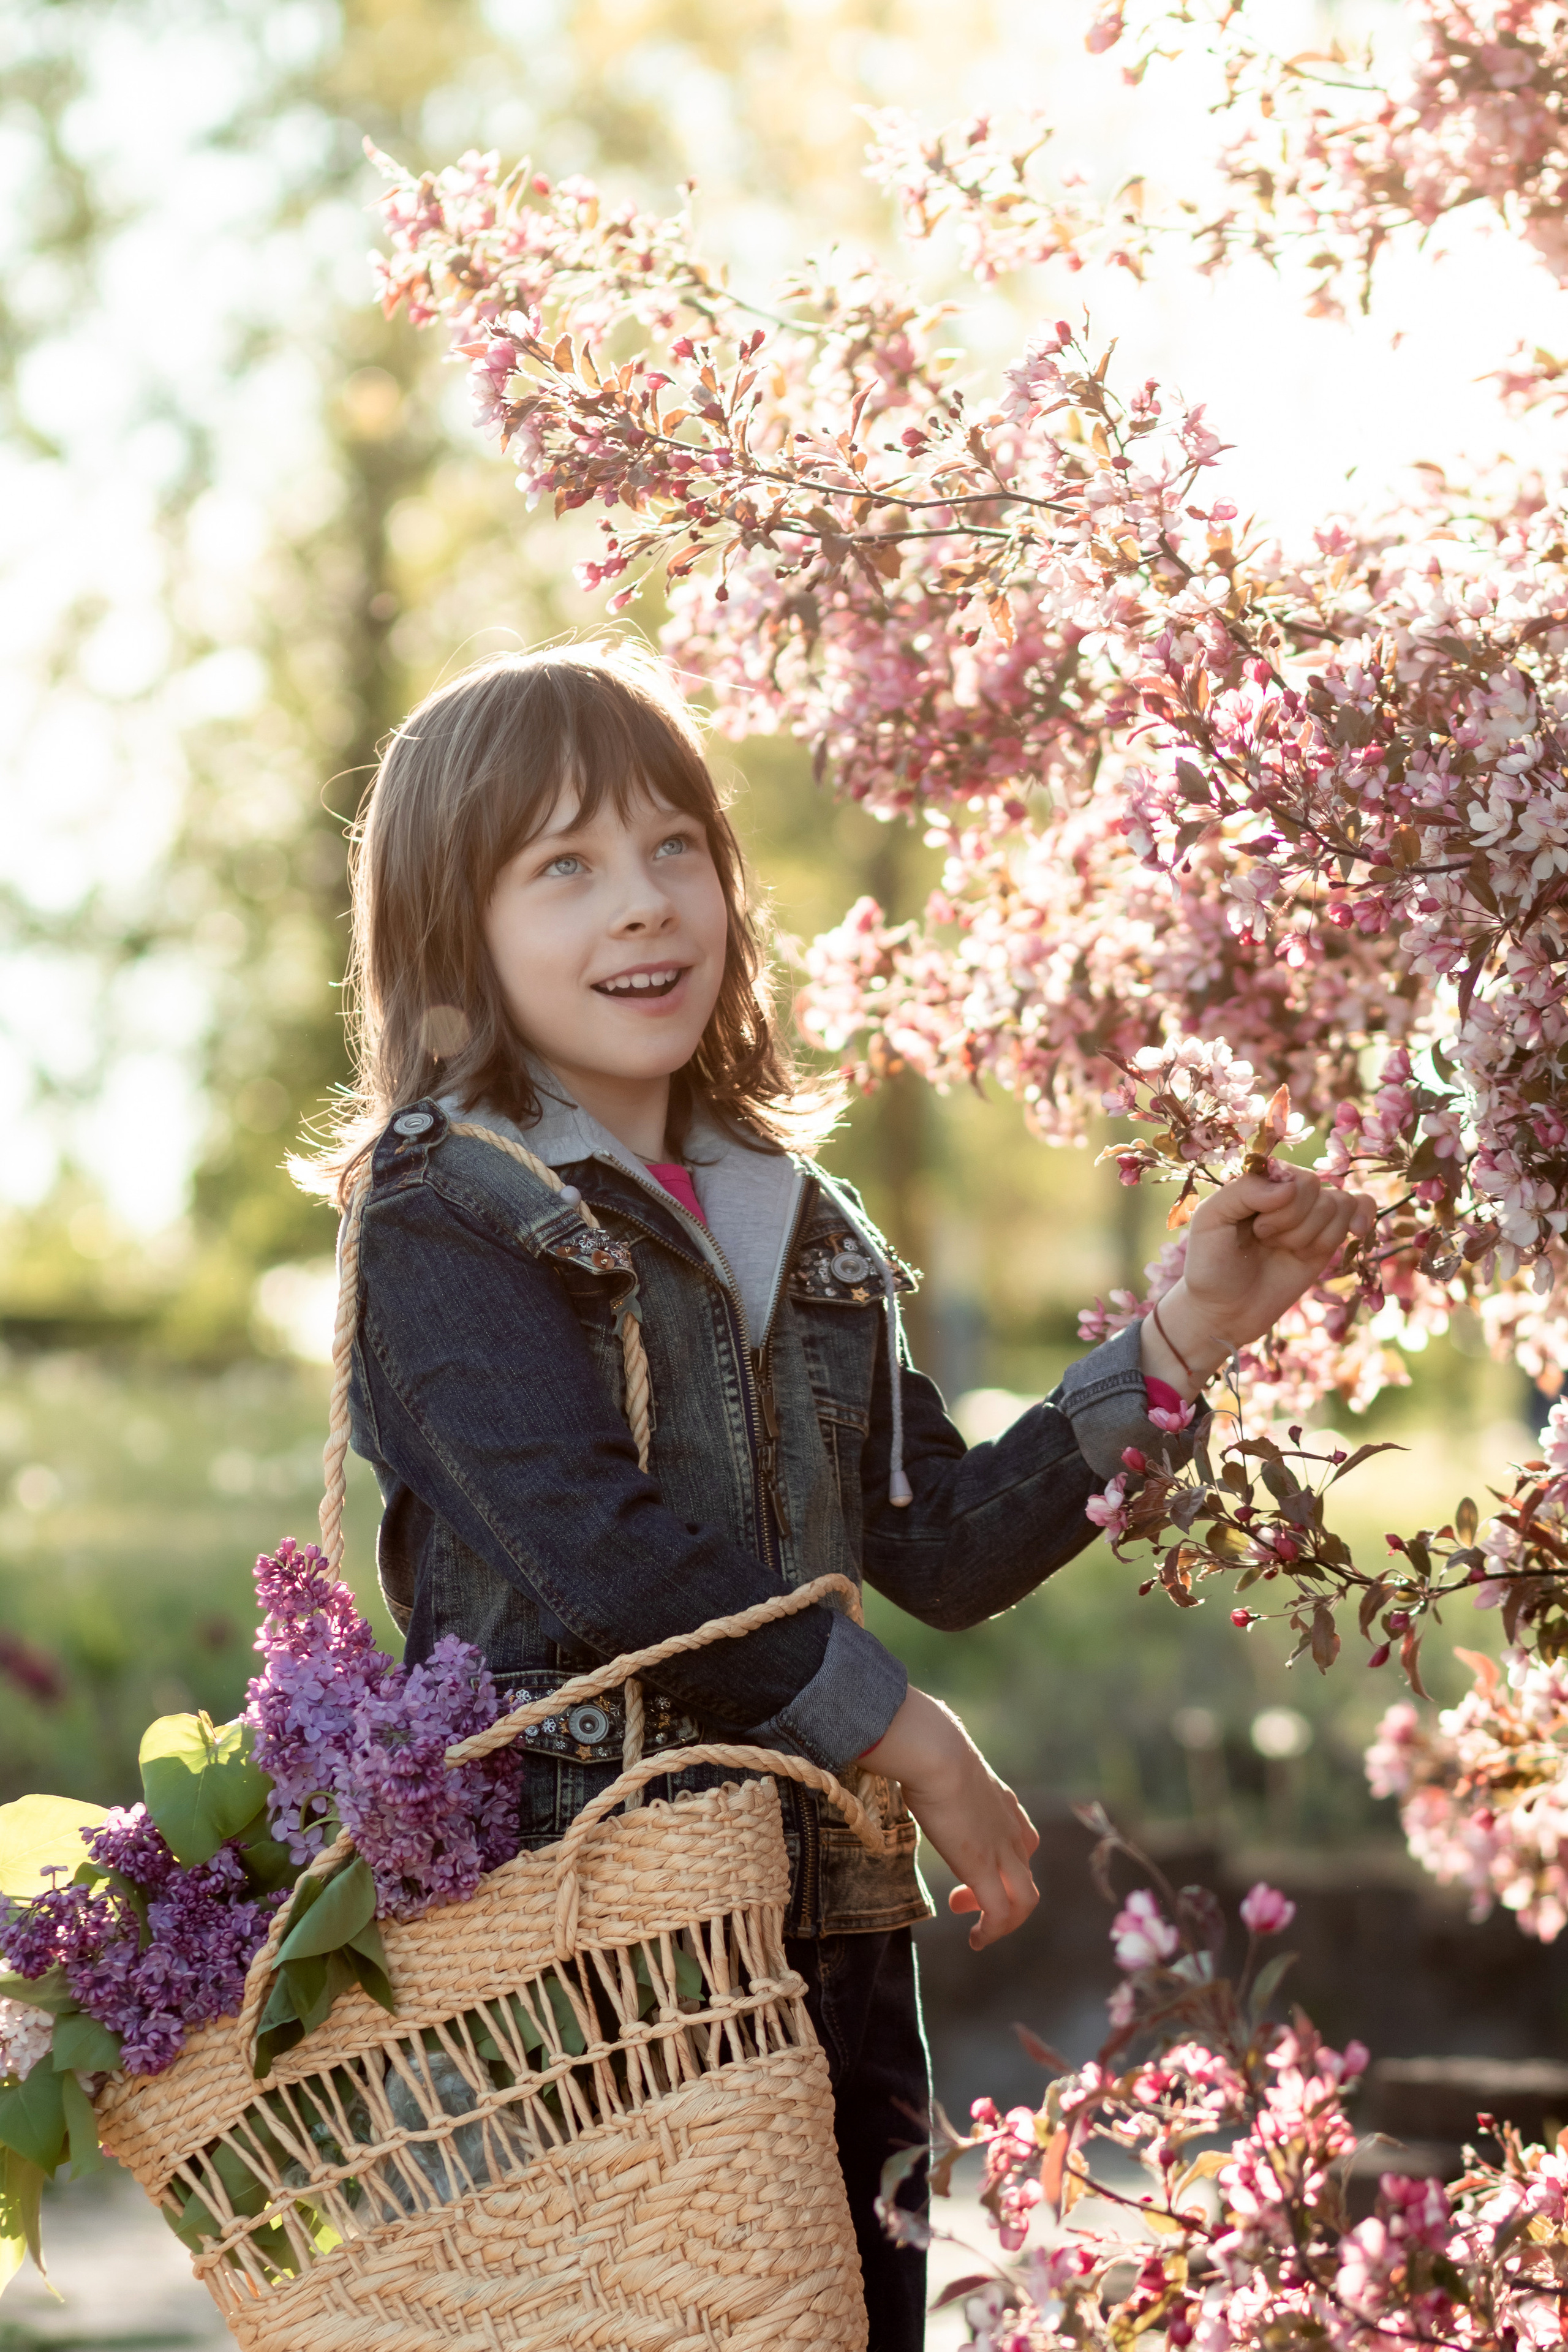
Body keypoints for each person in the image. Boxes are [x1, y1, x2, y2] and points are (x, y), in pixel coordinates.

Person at [302, 639, 1374, 2351]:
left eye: (674, 845)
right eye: (564, 865)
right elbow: (594, 1553)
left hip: (837, 1931)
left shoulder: (797, 1216)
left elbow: (937, 1545)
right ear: (455, 926)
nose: (644, 901)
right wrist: (905, 1734)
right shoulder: (449, 1208)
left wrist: (1184, 1336)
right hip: (596, 1952)